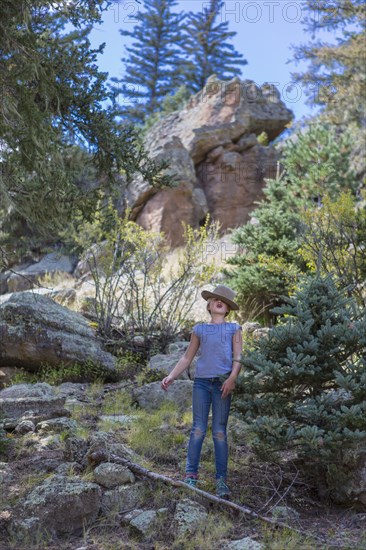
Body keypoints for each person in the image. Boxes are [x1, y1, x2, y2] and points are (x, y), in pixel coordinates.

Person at [161, 284, 242, 498]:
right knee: (197, 429)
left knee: (219, 432)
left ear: (227, 309)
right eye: (215, 299)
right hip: (202, 383)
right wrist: (171, 376)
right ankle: (190, 476)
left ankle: (221, 481)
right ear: (209, 304)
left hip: (223, 384)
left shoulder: (234, 328)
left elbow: (238, 357)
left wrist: (233, 378)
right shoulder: (200, 330)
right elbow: (187, 357)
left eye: (223, 301)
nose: (219, 302)